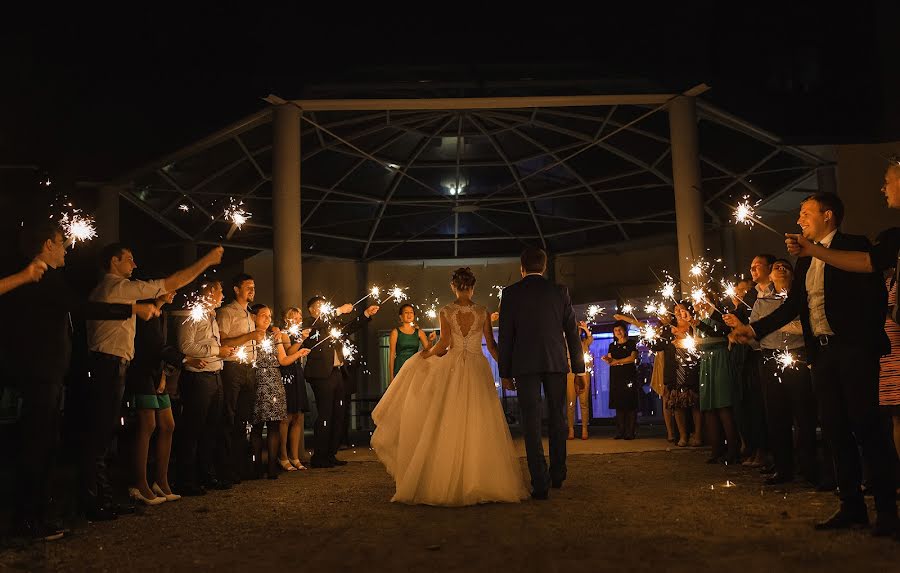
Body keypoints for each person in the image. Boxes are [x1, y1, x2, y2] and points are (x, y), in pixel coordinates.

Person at [730, 193, 897, 537]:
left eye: (805, 213)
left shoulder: (853, 245)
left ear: (829, 216)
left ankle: (886, 510)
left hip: (853, 350)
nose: (799, 220)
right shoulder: (806, 261)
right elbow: (793, 306)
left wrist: (866, 336)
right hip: (821, 353)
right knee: (835, 428)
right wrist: (754, 328)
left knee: (866, 426)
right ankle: (851, 506)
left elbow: (871, 284)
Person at [0, 216, 158, 540]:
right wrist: (131, 310)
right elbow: (81, 308)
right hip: (39, 372)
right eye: (61, 243)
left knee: (44, 444)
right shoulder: (40, 277)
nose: (66, 249)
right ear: (47, 245)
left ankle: (35, 515)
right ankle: (28, 520)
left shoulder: (43, 276)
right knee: (37, 446)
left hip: (46, 372)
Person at [83, 243, 223, 519]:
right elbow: (169, 284)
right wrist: (206, 261)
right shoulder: (117, 287)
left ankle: (112, 495)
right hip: (116, 366)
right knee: (108, 434)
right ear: (114, 261)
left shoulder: (125, 298)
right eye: (130, 260)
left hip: (120, 366)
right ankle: (114, 494)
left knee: (113, 432)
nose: (134, 266)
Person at [371, 267, 528, 506]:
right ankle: (481, 477)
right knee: (480, 418)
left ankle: (449, 479)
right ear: (472, 287)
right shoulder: (482, 312)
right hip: (477, 367)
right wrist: (506, 369)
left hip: (454, 367)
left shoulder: (446, 311)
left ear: (453, 286)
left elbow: (444, 344)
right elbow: (493, 346)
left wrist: (427, 355)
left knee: (450, 418)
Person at [498, 248, 586, 500]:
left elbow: (506, 336)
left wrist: (505, 371)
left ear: (521, 268)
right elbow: (571, 332)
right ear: (545, 267)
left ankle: (540, 481)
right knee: (558, 417)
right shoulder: (559, 292)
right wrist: (579, 368)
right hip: (555, 361)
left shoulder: (511, 293)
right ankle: (558, 473)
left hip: (524, 364)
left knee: (531, 420)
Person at [126, 291, 204, 505]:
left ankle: (161, 481)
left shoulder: (161, 314)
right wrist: (185, 359)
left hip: (156, 374)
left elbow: (163, 347)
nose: (175, 291)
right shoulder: (145, 312)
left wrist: (164, 375)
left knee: (168, 425)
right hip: (141, 373)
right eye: (170, 287)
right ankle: (139, 483)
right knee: (147, 425)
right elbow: (154, 347)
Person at [303, 297, 379, 468]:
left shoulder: (332, 325)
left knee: (339, 414)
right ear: (311, 310)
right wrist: (339, 310)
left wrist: (366, 314)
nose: (323, 310)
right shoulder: (310, 323)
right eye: (319, 307)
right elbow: (316, 326)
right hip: (321, 374)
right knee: (325, 415)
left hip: (337, 372)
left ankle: (331, 453)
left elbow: (350, 327)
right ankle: (319, 456)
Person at [176, 281, 233, 496]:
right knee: (193, 429)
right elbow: (186, 346)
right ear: (209, 292)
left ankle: (207, 475)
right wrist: (217, 350)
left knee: (211, 429)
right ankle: (186, 479)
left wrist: (224, 353)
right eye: (220, 291)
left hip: (215, 375)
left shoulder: (211, 316)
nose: (222, 295)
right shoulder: (194, 314)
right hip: (199, 379)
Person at [248, 304, 310, 479]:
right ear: (253, 317)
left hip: (275, 381)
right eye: (263, 316)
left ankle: (272, 467)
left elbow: (282, 359)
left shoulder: (274, 336)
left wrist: (299, 354)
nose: (268, 319)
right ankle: (256, 466)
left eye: (269, 316)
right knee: (257, 425)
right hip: (257, 380)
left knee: (275, 424)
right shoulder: (249, 336)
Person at [217, 273, 266, 484]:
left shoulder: (249, 314)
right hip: (232, 368)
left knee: (243, 420)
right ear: (236, 289)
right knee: (229, 416)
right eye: (248, 287)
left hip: (249, 368)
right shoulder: (227, 312)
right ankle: (225, 469)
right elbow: (222, 340)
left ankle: (241, 466)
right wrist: (250, 336)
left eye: (254, 287)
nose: (252, 290)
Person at [278, 307, 312, 470]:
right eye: (294, 318)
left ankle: (295, 456)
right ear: (286, 319)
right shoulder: (284, 333)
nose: (298, 320)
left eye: (299, 318)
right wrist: (300, 340)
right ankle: (283, 456)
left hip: (297, 372)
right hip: (286, 372)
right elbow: (287, 353)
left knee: (298, 416)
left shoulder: (299, 332)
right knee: (287, 416)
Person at [603, 320, 639, 440]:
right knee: (619, 405)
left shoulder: (631, 343)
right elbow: (610, 360)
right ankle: (620, 431)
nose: (617, 332)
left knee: (630, 404)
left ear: (624, 330)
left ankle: (630, 432)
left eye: (620, 329)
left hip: (629, 376)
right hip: (616, 377)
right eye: (615, 330)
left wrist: (617, 362)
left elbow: (632, 357)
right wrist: (607, 359)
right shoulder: (612, 345)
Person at [388, 303, 435, 382]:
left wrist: (430, 340)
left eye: (411, 312)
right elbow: (392, 355)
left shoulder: (419, 332)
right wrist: (391, 376)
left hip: (414, 366)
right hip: (400, 366)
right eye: (406, 312)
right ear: (401, 316)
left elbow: (428, 350)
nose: (409, 314)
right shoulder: (395, 332)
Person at [567, 321, 592, 440]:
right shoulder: (566, 343)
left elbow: (591, 339)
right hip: (570, 373)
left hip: (584, 373)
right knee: (571, 402)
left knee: (584, 402)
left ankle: (584, 429)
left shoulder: (584, 343)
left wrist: (585, 328)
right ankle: (571, 429)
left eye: (578, 329)